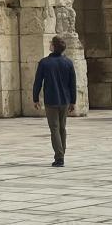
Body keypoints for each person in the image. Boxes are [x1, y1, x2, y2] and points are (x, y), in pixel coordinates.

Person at [32, 36, 77, 167]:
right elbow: (72, 84)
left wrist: (35, 98)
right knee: (62, 128)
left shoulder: (44, 63)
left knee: (55, 128)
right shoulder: (68, 62)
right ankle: (62, 152)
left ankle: (59, 157)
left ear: (54, 47)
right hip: (65, 100)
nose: (49, 45)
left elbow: (38, 82)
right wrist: (73, 101)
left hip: (51, 100)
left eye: (51, 43)